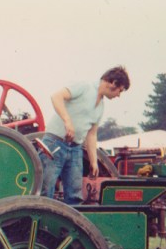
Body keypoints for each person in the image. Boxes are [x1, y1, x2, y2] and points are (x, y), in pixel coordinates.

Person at [40, 66, 130, 204]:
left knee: (75, 196)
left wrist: (94, 162)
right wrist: (67, 121)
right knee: (45, 192)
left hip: (75, 149)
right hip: (54, 144)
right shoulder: (84, 87)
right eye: (120, 90)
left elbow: (92, 135)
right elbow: (56, 96)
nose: (119, 95)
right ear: (113, 83)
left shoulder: (100, 107)